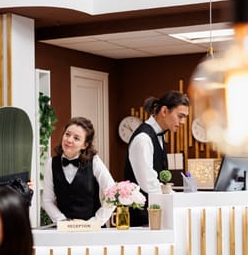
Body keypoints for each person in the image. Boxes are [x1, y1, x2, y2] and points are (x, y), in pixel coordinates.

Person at [124, 90, 189, 226]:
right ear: (164, 111)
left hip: (154, 215)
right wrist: (178, 199)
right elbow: (149, 183)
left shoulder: (159, 135)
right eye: (180, 116)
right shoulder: (143, 138)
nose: (182, 122)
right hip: (142, 218)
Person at [42, 116, 115, 224]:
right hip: (63, 231)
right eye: (67, 134)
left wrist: (94, 222)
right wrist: (63, 221)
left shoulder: (94, 162)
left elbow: (112, 193)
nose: (69, 140)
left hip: (92, 232)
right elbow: (47, 200)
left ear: (85, 145)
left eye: (76, 138)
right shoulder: (51, 164)